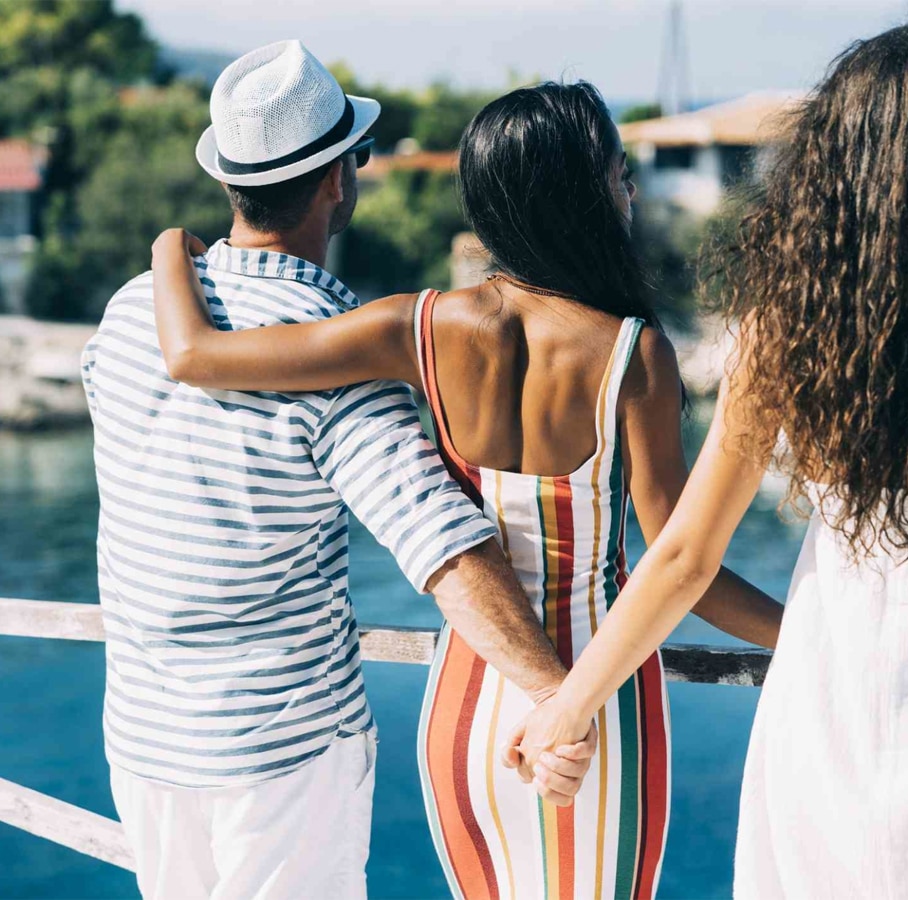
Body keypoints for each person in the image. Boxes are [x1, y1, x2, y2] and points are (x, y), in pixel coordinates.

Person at [508, 22, 908, 899]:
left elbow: (684, 557)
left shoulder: (782, 338)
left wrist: (570, 703)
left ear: (832, 173)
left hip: (830, 721)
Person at [151, 81, 784, 898]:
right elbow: (683, 566)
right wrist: (805, 636)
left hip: (465, 704)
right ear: (581, 197)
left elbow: (195, 357)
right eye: (618, 172)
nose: (627, 189)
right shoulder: (635, 357)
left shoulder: (419, 326)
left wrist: (172, 247)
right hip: (588, 710)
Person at [84, 41, 592, 900]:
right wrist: (557, 697)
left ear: (230, 180)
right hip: (279, 758)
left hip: (142, 739)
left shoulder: (134, 310)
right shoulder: (333, 345)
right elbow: (443, 551)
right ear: (336, 181)